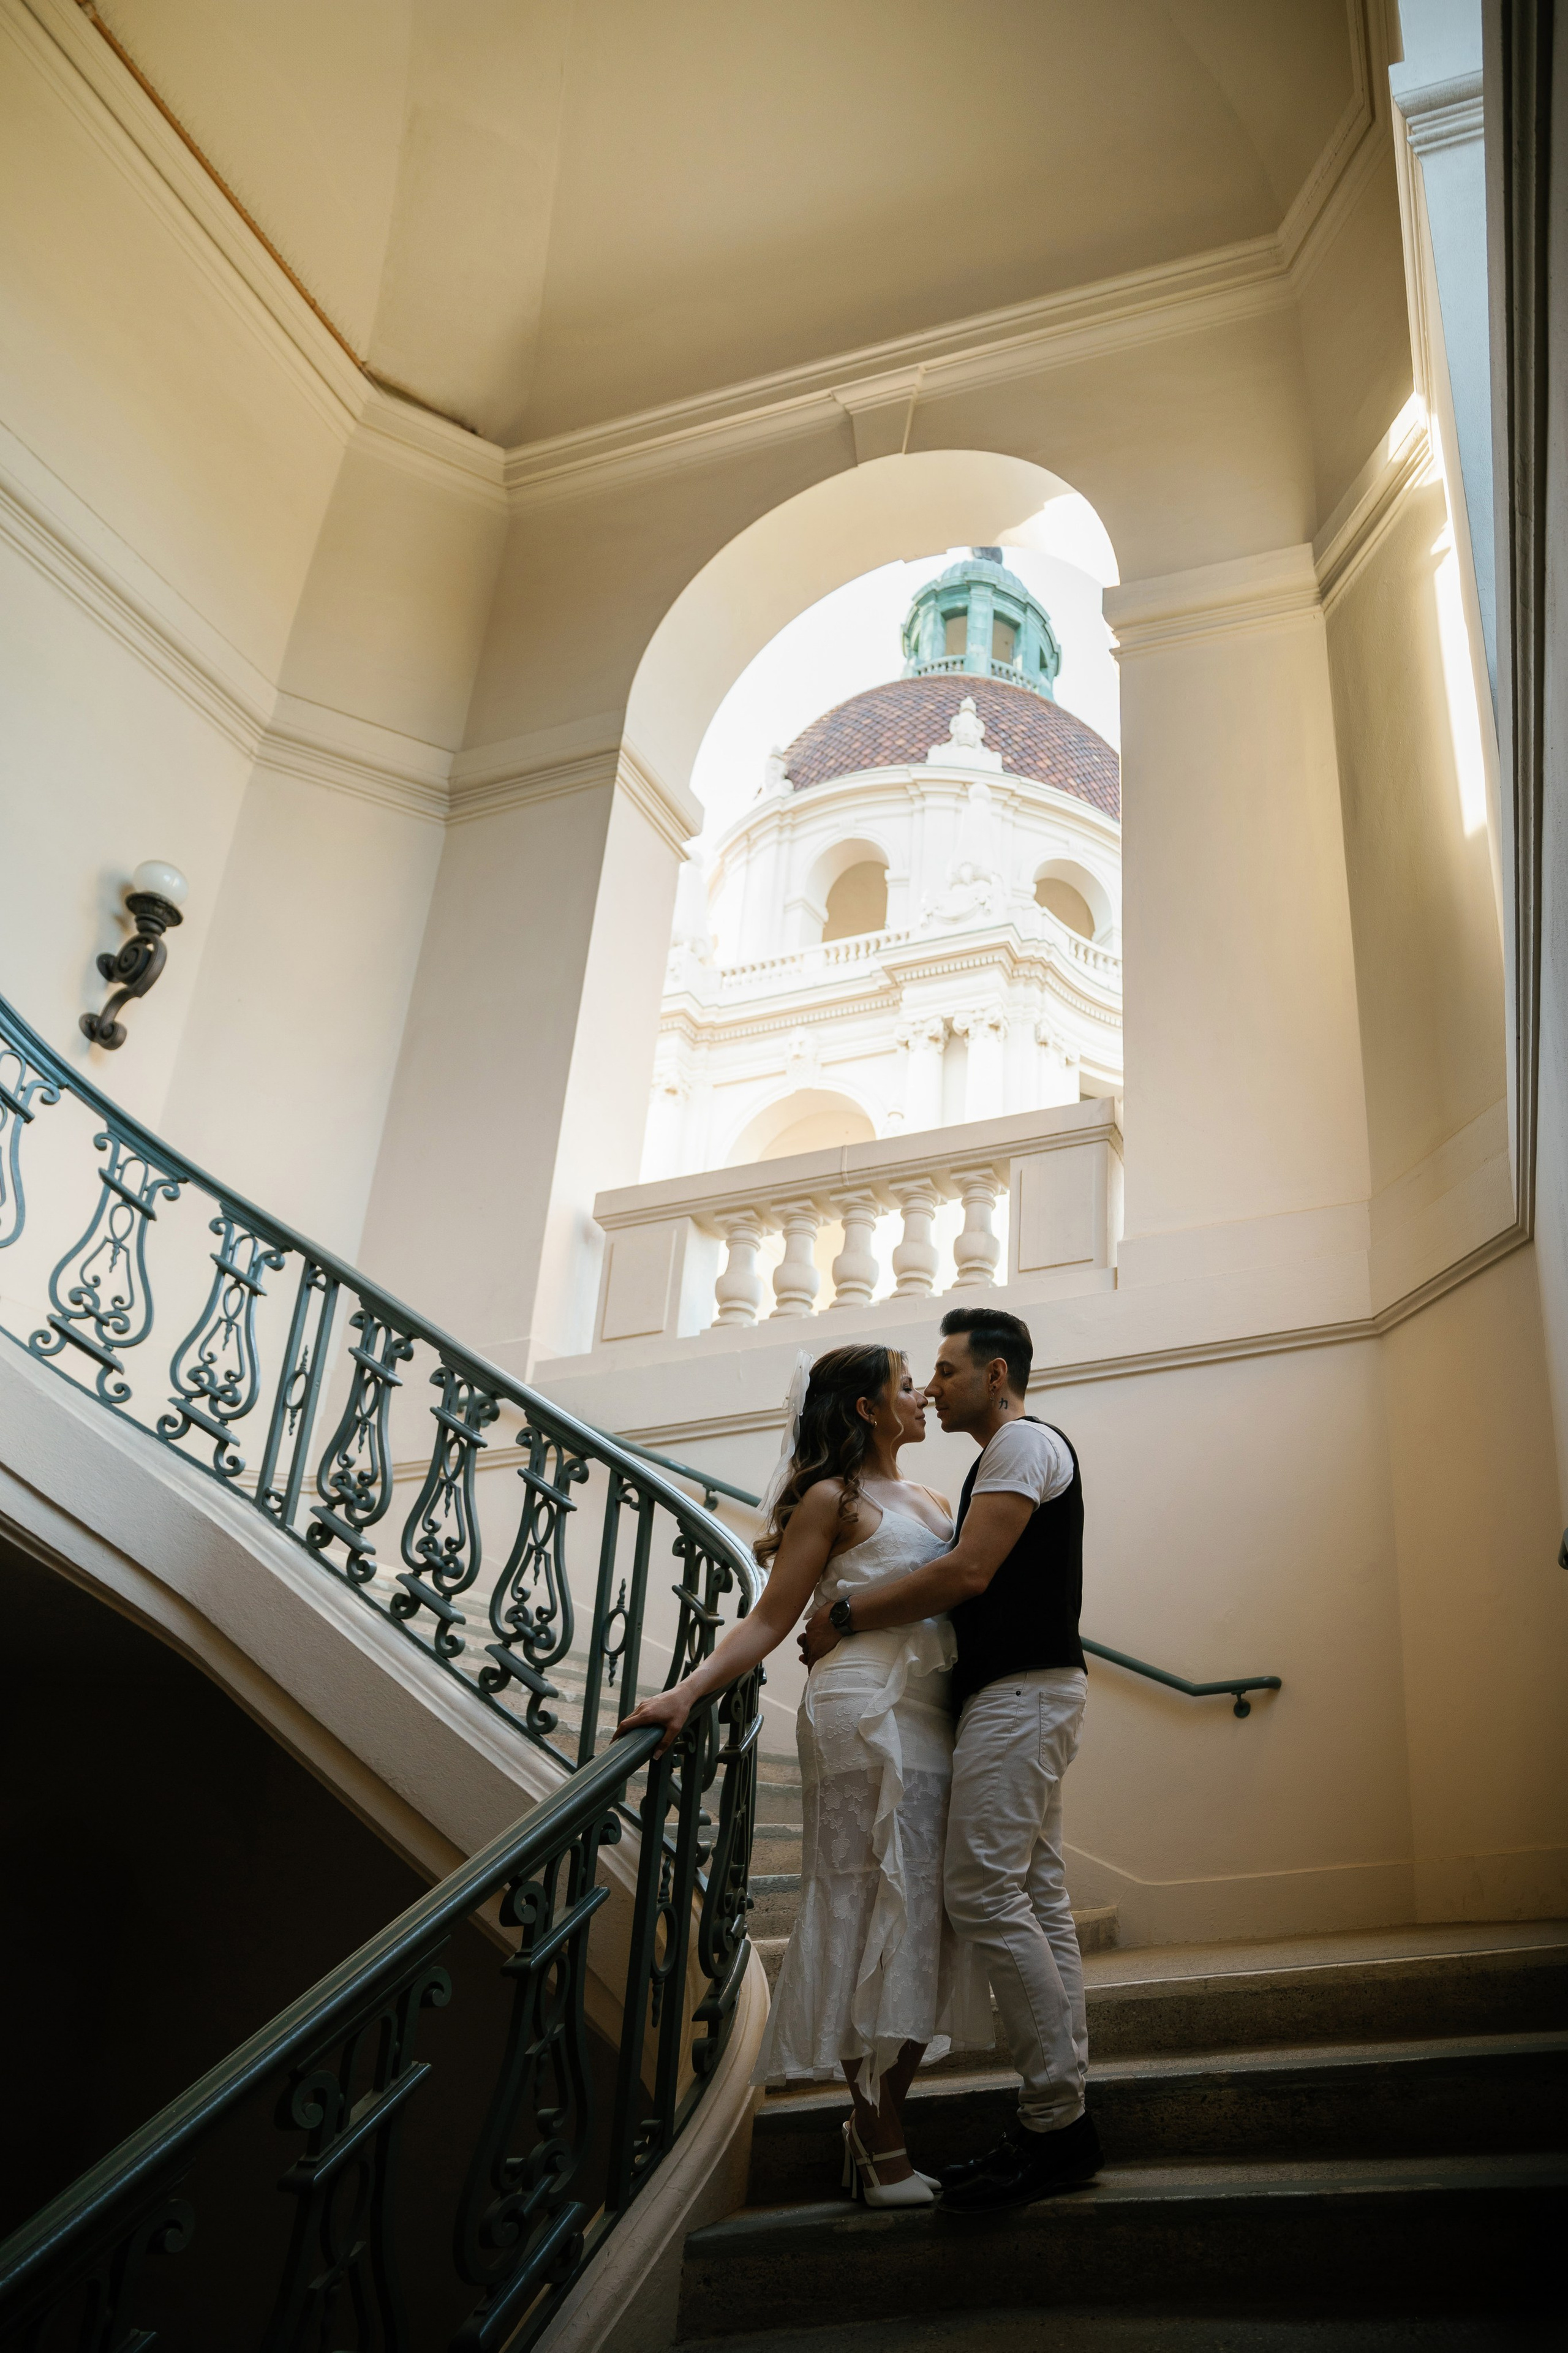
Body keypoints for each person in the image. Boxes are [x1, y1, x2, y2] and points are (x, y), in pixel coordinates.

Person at [617, 1343, 993, 2208]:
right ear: (867, 1407)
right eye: (907, 1386)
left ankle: (873, 2126)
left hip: (932, 1711)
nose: (923, 1397)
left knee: (925, 1912)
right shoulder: (832, 1498)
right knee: (865, 1903)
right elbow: (770, 1619)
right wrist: (688, 1691)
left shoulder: (938, 1500)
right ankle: (880, 2140)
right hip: (857, 1707)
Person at [799, 1305, 1099, 2215]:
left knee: (982, 1894)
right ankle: (1061, 2115)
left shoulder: (1022, 1445)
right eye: (919, 1377)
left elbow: (967, 1572)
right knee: (1032, 1892)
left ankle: (1054, 2121)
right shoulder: (989, 1460)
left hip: (1021, 1693)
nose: (932, 1389)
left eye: (946, 1371)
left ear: (996, 1374)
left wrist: (843, 1615)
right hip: (1010, 1695)